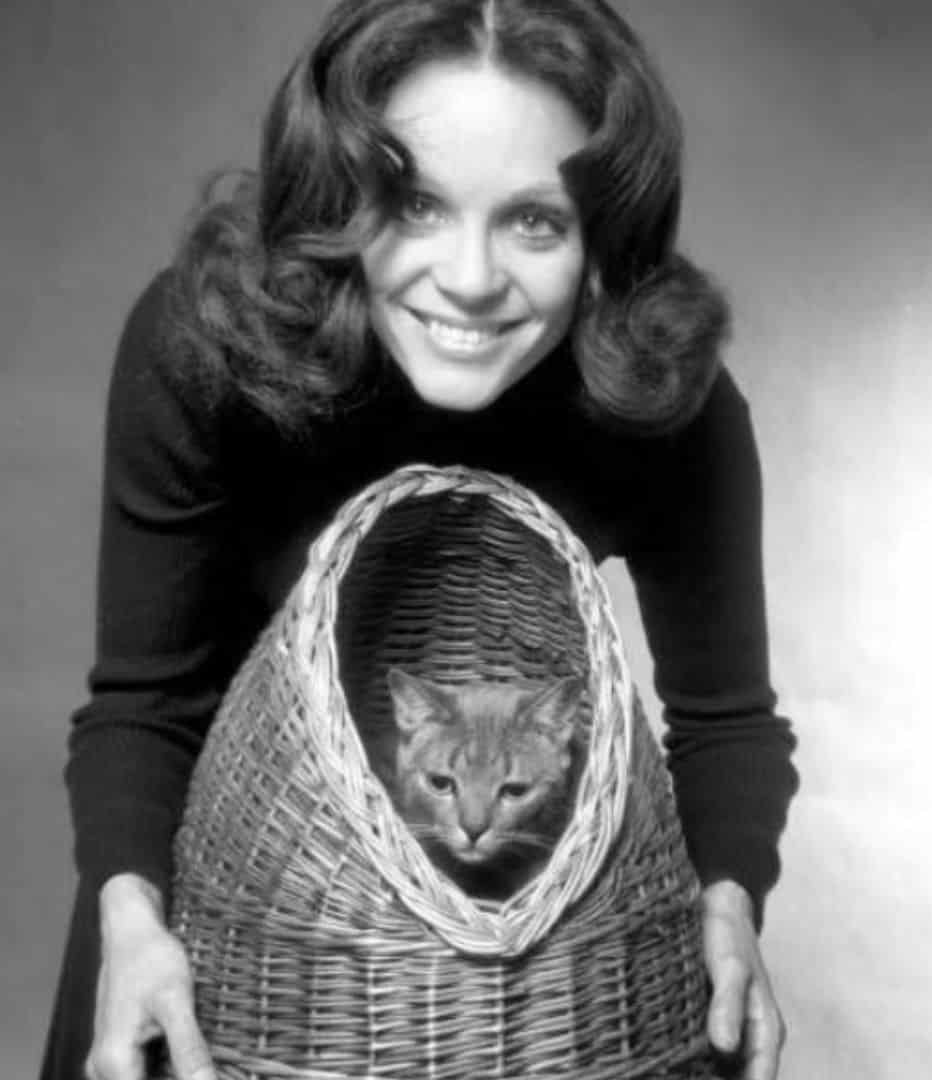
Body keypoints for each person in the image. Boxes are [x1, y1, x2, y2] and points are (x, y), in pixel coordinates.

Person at [43, 2, 796, 1078]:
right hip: (199, 912)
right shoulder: (198, 344)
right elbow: (143, 702)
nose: (473, 279)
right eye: (415, 206)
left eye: (535, 220)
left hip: (526, 984)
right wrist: (131, 924)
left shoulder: (671, 396)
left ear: (603, 235)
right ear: (342, 198)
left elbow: (727, 720)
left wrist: (729, 899)